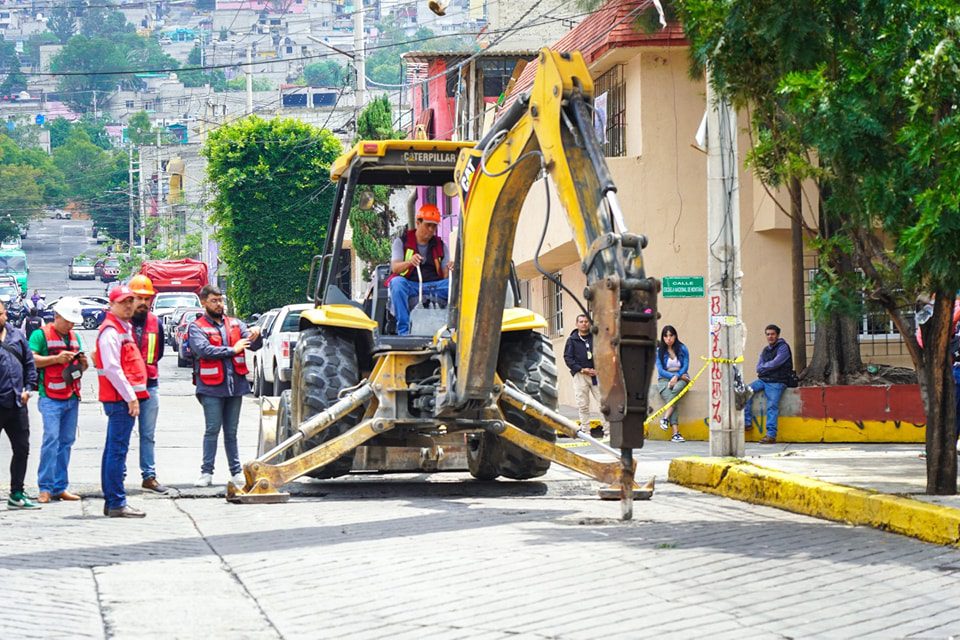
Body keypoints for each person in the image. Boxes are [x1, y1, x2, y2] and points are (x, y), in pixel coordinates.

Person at [188, 285, 262, 487]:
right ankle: (206, 473)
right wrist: (233, 349)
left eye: (221, 300)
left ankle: (236, 471)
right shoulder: (196, 327)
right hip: (211, 387)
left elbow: (254, 344)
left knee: (232, 431)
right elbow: (204, 350)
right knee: (212, 429)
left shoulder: (236, 324)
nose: (219, 304)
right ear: (203, 302)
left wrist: (257, 333)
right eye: (214, 300)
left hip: (235, 386)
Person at [94, 285, 150, 518]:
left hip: (121, 399)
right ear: (112, 305)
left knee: (113, 451)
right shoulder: (111, 332)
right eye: (123, 302)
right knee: (117, 452)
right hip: (120, 400)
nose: (128, 306)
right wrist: (131, 398)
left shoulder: (121, 327)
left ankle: (113, 501)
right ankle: (116, 502)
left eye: (131, 301)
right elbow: (113, 369)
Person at [30, 297, 88, 503]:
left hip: (71, 395)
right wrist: (55, 359)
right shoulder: (40, 335)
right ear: (57, 317)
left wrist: (83, 363)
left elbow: (81, 369)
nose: (71, 325)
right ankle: (44, 487)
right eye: (68, 320)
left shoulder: (75, 337)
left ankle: (60, 486)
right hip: (50, 397)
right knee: (51, 440)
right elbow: (32, 360)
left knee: (66, 442)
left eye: (73, 321)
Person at [129, 275, 168, 494]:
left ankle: (149, 476)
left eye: (147, 298)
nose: (143, 303)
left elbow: (159, 352)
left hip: (150, 385)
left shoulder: (156, 323)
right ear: (130, 298)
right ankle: (118, 478)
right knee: (121, 435)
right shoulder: (122, 322)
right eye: (139, 298)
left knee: (148, 434)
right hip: (125, 388)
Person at [0, 299, 39, 509]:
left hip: (17, 403)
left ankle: (17, 493)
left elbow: (29, 363)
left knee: (22, 449)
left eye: (1, 314)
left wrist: (29, 387)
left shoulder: (17, 335)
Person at [387, 203, 449, 336]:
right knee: (397, 284)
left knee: (457, 286)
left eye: (434, 226)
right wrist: (410, 262)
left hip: (435, 286)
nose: (431, 230)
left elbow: (445, 277)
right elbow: (395, 268)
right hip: (411, 285)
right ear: (418, 223)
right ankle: (404, 331)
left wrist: (449, 268)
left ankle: (454, 328)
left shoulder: (441, 245)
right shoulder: (401, 242)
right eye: (428, 225)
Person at [744, 324, 795, 444]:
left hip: (777, 381)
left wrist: (764, 367)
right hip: (764, 380)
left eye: (772, 334)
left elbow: (776, 363)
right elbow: (758, 367)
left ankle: (771, 435)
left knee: (772, 406)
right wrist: (764, 368)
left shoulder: (783, 347)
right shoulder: (765, 350)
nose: (770, 336)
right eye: (768, 334)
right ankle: (747, 423)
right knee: (746, 391)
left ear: (777, 335)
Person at [563, 314, 607, 436]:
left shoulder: (596, 338)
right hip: (580, 376)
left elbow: (604, 354)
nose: (584, 324)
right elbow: (568, 358)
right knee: (583, 405)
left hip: (596, 375)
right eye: (581, 322)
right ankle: (586, 432)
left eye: (586, 321)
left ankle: (608, 431)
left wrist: (599, 369)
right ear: (577, 324)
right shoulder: (572, 340)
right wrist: (581, 369)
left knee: (603, 404)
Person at [656, 325, 690, 443]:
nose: (668, 338)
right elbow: (660, 370)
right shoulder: (659, 351)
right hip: (664, 380)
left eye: (671, 335)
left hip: (682, 378)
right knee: (672, 399)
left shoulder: (682, 348)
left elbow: (685, 365)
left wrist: (677, 376)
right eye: (665, 336)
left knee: (675, 392)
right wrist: (673, 377)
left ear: (675, 336)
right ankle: (675, 433)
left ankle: (665, 418)